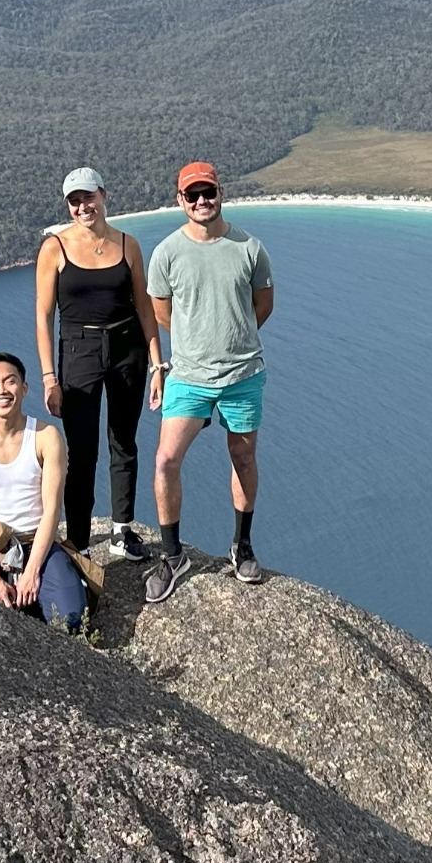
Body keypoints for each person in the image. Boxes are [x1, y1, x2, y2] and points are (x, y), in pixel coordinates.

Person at [141, 160, 274, 603]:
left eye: (208, 193)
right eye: (192, 195)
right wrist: (194, 348)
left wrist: (231, 339)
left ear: (221, 193)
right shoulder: (166, 254)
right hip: (190, 376)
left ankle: (243, 545)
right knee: (165, 461)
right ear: (181, 201)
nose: (202, 201)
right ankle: (173, 555)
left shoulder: (249, 248)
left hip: (242, 374)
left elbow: (263, 306)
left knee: (244, 457)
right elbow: (162, 314)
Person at [33, 165, 161, 561]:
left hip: (128, 348)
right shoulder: (55, 247)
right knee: (82, 449)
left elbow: (144, 306)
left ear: (103, 195)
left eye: (88, 197)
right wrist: (49, 378)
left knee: (124, 441)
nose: (82, 206)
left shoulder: (129, 244)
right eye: (74, 201)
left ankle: (123, 531)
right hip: (79, 349)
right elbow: (43, 315)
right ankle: (82, 540)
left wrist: (158, 365)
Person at [0, 353, 88, 630]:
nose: (1, 390)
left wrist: (32, 571)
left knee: (71, 619)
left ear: (24, 389)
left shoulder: (46, 437)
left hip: (39, 543)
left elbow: (52, 510)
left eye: (10, 381)